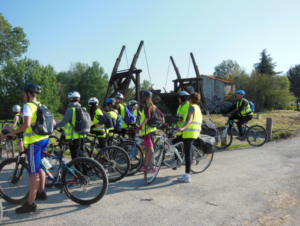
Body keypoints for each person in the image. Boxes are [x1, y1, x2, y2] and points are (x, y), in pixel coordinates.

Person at [4, 83, 54, 213]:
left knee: (33, 173)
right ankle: (41, 192)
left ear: (28, 94)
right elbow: (52, 122)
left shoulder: (28, 106)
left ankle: (30, 204)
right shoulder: (42, 105)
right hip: (44, 139)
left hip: (34, 143)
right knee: (41, 167)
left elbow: (26, 124)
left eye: (23, 93)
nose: (22, 96)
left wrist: (11, 133)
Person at [174, 92, 202, 183]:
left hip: (189, 134)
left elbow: (190, 120)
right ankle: (176, 160)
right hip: (191, 133)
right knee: (174, 141)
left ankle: (187, 176)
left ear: (190, 99)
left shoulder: (191, 107)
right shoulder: (197, 107)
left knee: (188, 155)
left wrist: (182, 128)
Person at [136, 91, 164, 172]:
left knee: (151, 149)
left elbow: (147, 117)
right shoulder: (154, 106)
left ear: (144, 98)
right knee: (148, 149)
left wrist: (140, 127)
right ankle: (145, 165)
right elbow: (162, 116)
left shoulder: (146, 106)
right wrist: (161, 125)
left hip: (147, 131)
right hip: (152, 130)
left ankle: (153, 166)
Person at [55, 91, 87, 160]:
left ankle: (78, 171)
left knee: (75, 158)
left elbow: (62, 123)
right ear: (79, 100)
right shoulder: (83, 109)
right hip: (82, 136)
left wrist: (54, 125)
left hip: (73, 138)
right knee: (82, 158)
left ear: (69, 100)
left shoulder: (70, 110)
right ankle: (84, 170)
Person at [168, 91, 190, 170]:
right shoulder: (181, 105)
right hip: (179, 129)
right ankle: (177, 161)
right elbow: (179, 117)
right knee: (177, 145)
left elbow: (187, 118)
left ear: (183, 98)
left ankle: (179, 161)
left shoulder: (188, 106)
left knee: (181, 146)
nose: (178, 98)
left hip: (185, 129)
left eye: (179, 97)